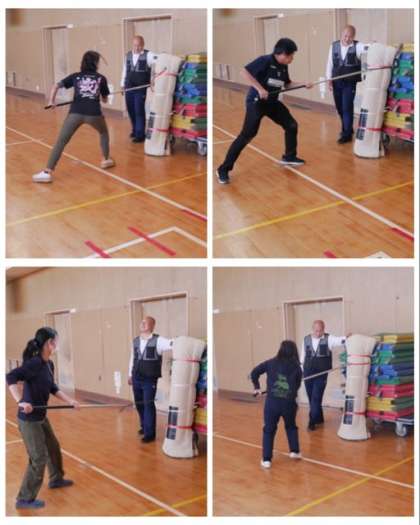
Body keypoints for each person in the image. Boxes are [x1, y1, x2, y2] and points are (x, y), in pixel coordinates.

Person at [216, 38, 311, 184]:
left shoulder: (283, 66)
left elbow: (287, 84)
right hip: (256, 103)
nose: (292, 58)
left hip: (272, 102)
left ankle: (289, 156)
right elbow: (244, 72)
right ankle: (223, 169)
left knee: (291, 125)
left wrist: (303, 84)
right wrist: (260, 89)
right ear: (282, 54)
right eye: (291, 55)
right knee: (247, 135)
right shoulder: (265, 60)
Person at [6, 327, 80, 510]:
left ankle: (56, 479)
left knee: (53, 447)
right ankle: (24, 498)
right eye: (56, 341)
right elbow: (10, 377)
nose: (57, 344)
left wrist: (70, 401)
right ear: (49, 343)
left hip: (41, 416)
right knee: (39, 458)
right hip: (28, 419)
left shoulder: (48, 364)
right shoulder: (34, 363)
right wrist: (20, 401)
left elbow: (52, 387)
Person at [33, 51, 115, 183]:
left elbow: (56, 86)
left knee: (61, 141)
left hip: (75, 113)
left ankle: (47, 172)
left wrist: (51, 101)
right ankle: (106, 159)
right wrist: (101, 95)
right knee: (103, 132)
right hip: (94, 114)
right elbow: (105, 100)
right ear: (95, 63)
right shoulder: (101, 78)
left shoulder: (76, 76)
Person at [250, 340, 303, 469]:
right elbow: (297, 386)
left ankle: (266, 460)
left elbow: (254, 372)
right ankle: (294, 451)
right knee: (291, 426)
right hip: (289, 404)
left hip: (272, 403)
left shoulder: (270, 363)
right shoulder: (297, 367)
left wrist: (257, 387)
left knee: (269, 430)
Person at [128, 316, 173, 442]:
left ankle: (150, 434)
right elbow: (132, 358)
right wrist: (130, 374)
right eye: (142, 322)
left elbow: (172, 343)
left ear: (152, 326)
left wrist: (181, 341)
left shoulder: (159, 341)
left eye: (146, 322)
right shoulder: (135, 341)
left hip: (149, 380)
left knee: (148, 404)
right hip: (136, 377)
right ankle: (144, 426)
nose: (142, 324)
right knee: (139, 404)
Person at [301, 320, 347, 431]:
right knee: (311, 397)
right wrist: (301, 371)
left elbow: (339, 340)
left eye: (320, 330)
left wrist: (347, 338)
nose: (318, 333)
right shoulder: (306, 339)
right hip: (308, 374)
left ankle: (312, 421)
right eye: (316, 330)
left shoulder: (328, 338)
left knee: (316, 397)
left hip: (321, 375)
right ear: (312, 329)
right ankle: (319, 418)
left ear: (323, 329)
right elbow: (302, 356)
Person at [326, 25, 365, 143]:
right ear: (341, 34)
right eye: (345, 36)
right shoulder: (334, 46)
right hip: (336, 81)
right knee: (339, 108)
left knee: (347, 107)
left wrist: (373, 46)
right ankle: (348, 128)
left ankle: (346, 133)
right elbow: (329, 63)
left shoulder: (358, 46)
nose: (347, 39)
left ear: (354, 36)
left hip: (349, 83)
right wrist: (329, 79)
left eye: (350, 36)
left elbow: (368, 48)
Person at [121, 36, 158, 143]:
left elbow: (160, 60)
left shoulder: (149, 55)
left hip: (140, 89)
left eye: (139, 45)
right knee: (131, 110)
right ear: (132, 44)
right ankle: (135, 130)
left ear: (143, 45)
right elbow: (124, 70)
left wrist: (153, 78)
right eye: (135, 45)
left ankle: (140, 134)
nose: (137, 48)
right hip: (129, 87)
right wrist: (122, 84)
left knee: (138, 111)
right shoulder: (128, 55)